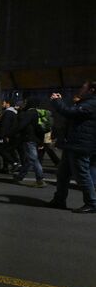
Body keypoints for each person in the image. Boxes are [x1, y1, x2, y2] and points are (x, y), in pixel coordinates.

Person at [48, 82, 96, 213]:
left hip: (81, 145)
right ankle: (59, 200)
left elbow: (69, 112)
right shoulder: (86, 103)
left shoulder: (92, 103)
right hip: (74, 144)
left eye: (83, 88)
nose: (81, 90)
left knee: (82, 175)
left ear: (91, 90)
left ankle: (92, 203)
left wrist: (57, 101)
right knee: (62, 174)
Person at [11, 98, 46, 188]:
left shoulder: (29, 113)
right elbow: (39, 128)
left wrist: (12, 132)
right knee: (29, 159)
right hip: (35, 139)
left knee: (33, 159)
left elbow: (22, 125)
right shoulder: (37, 113)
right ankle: (20, 176)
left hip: (29, 139)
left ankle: (40, 179)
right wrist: (41, 141)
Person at [0, 100, 20, 173]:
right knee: (8, 150)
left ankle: (14, 163)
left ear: (8, 104)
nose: (1, 105)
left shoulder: (8, 113)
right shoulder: (14, 113)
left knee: (1, 150)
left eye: (3, 103)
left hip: (5, 136)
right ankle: (6, 167)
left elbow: (5, 126)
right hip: (12, 135)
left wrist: (3, 136)